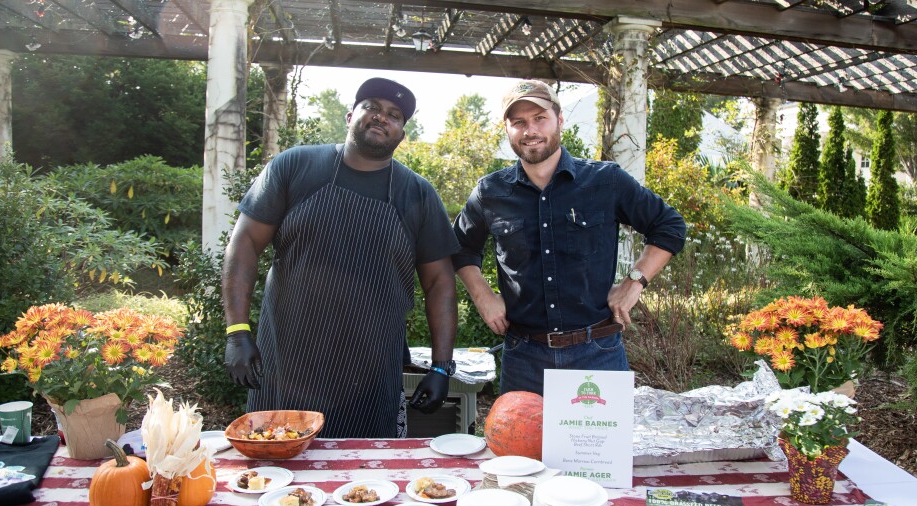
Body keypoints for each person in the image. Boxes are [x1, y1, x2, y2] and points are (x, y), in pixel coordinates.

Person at [223, 77, 459, 438]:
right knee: (275, 475)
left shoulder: (418, 194)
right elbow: (244, 245)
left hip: (372, 378)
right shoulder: (294, 167)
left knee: (367, 481)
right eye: (373, 108)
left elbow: (440, 282)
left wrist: (442, 368)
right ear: (351, 116)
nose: (382, 117)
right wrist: (237, 333)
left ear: (401, 134)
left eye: (394, 115)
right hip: (285, 367)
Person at [452, 80, 687, 396]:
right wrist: (484, 297)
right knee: (520, 447)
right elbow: (460, 248)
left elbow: (669, 225)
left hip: (597, 354)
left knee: (601, 447)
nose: (530, 130)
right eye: (518, 122)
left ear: (559, 120)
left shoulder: (606, 181)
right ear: (507, 129)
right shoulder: (490, 193)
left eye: (540, 118)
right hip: (525, 359)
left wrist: (634, 283)